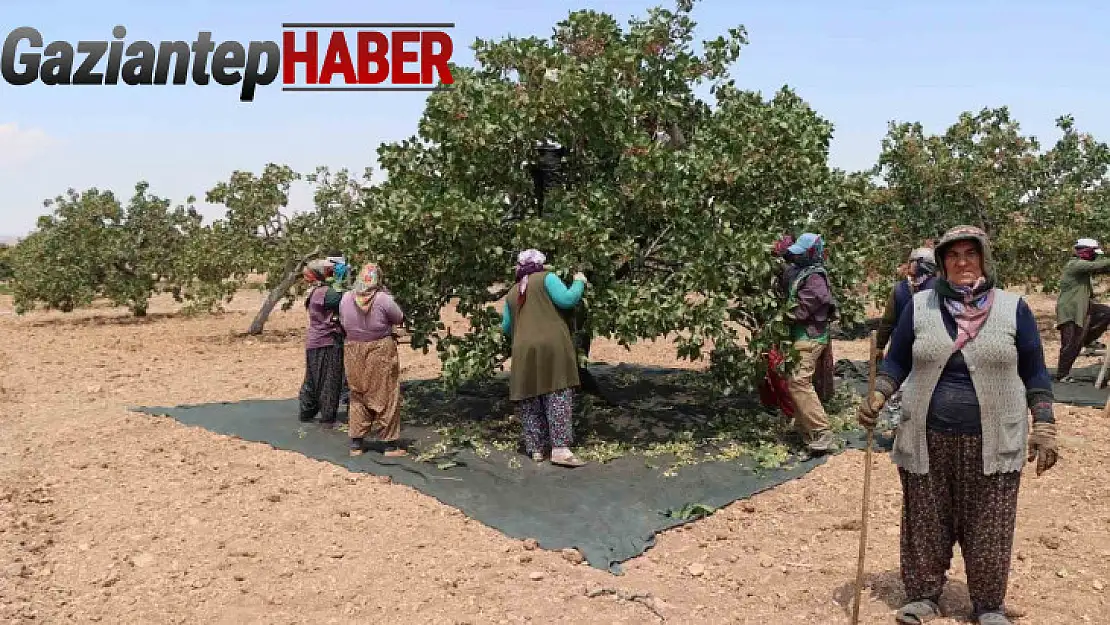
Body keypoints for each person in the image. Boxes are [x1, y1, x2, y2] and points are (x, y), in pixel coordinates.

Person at [857, 225, 1058, 625]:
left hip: (995, 437)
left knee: (990, 525)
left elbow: (1035, 370)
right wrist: (879, 393)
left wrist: (1046, 424)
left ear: (983, 259)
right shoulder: (919, 306)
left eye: (970, 254)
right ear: (943, 264)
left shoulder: (1013, 308)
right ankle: (923, 596)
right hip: (926, 434)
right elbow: (897, 359)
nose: (962, 262)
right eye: (953, 256)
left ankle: (988, 605)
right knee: (926, 519)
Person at [501, 249, 588, 467]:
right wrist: (579, 282)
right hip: (552, 346)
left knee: (530, 397)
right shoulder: (547, 279)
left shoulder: (513, 292)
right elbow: (567, 300)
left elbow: (506, 327)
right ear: (541, 264)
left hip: (523, 350)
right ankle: (560, 449)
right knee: (557, 393)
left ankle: (536, 448)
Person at [338, 263, 407, 457]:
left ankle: (356, 445)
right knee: (386, 393)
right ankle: (390, 445)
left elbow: (344, 321)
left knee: (358, 393)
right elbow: (398, 317)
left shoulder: (346, 298)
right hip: (380, 349)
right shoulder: (383, 299)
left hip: (352, 349)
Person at [777, 232, 838, 453]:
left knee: (799, 382)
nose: (797, 257)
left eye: (801, 254)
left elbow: (813, 302)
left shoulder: (815, 278)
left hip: (811, 337)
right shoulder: (802, 271)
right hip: (802, 336)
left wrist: (789, 315)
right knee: (795, 381)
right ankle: (805, 428)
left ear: (811, 254)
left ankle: (822, 432)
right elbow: (787, 270)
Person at [874, 246, 938, 430]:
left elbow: (888, 321)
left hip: (907, 350)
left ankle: (900, 429)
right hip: (923, 350)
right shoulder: (939, 288)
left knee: (900, 389)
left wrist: (880, 346)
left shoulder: (902, 290)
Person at [1054, 237, 1110, 382]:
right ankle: (1062, 374)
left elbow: (1102, 267)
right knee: (1070, 343)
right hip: (1070, 309)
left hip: (1084, 306)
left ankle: (1089, 339)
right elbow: (1099, 265)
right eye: (1093, 253)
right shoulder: (1075, 265)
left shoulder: (1083, 267)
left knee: (1105, 313)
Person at [299, 259, 345, 427]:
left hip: (314, 340)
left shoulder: (314, 292)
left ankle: (306, 411)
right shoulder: (326, 293)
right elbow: (343, 299)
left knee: (312, 378)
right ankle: (327, 418)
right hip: (327, 341)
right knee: (329, 379)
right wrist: (341, 281)